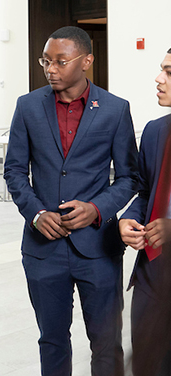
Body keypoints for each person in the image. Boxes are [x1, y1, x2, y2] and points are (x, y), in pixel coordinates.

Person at [4, 26, 138, 376]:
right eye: (45, 61)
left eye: (60, 61)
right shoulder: (28, 106)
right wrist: (35, 213)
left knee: (106, 342)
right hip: (42, 249)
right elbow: (14, 171)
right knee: (52, 341)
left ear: (86, 61)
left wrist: (97, 209)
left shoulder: (114, 109)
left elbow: (129, 177)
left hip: (98, 248)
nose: (51, 69)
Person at [119, 47, 171, 376]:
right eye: (161, 69)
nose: (158, 78)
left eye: (169, 72)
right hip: (152, 276)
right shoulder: (155, 131)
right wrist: (129, 217)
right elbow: (147, 191)